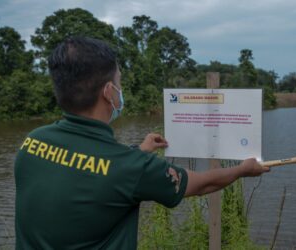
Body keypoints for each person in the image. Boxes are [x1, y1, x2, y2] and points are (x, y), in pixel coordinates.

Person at [14, 36, 269, 249]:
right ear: (108, 92)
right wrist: (242, 170)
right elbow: (200, 184)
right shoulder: (131, 168)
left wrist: (139, 150)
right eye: (119, 82)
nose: (120, 88)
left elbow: (86, 169)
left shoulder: (32, 142)